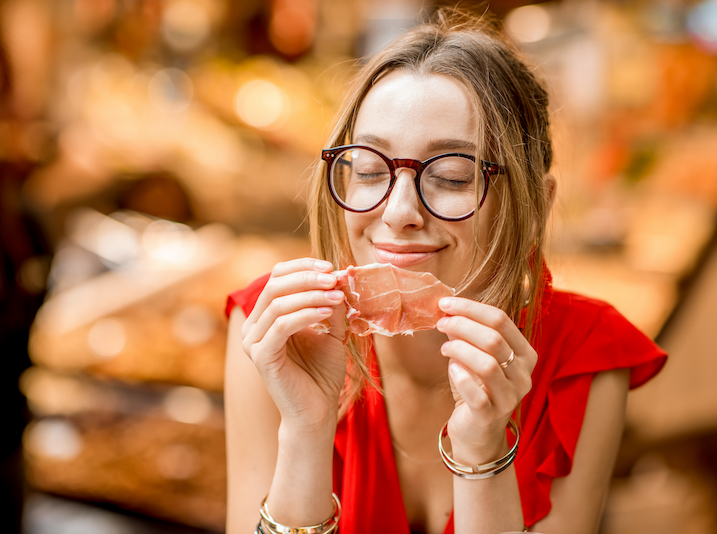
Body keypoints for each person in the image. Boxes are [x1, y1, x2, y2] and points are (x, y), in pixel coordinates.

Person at [224, 8, 666, 534]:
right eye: (369, 169)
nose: (398, 212)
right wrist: (306, 430)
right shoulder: (276, 328)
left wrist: (482, 449)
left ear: (535, 208)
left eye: (452, 177)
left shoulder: (586, 356)